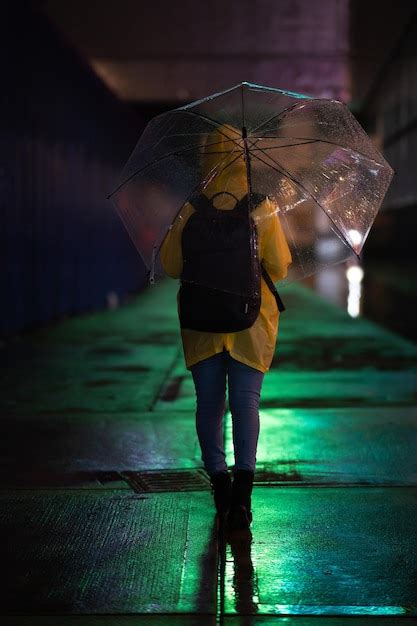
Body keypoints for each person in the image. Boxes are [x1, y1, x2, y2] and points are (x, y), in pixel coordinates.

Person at [160, 123, 292, 531]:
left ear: (207, 157)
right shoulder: (261, 206)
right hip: (249, 323)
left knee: (209, 405)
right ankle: (243, 497)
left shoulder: (192, 207)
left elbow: (170, 266)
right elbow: (280, 267)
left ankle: (219, 483)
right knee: (246, 404)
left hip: (202, 322)